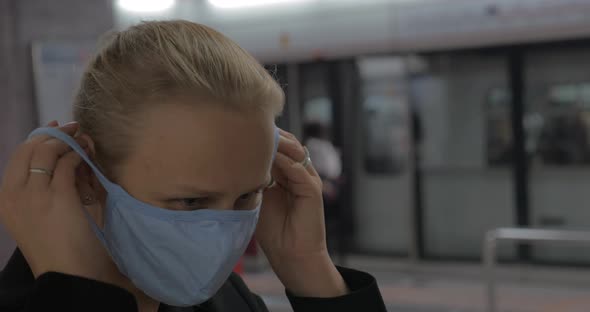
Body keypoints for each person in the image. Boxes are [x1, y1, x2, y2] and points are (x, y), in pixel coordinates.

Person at [0, 21, 386, 312]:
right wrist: (74, 295)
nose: (222, 237)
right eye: (190, 202)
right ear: (88, 175)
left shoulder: (230, 301)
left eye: (248, 195)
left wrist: (310, 269)